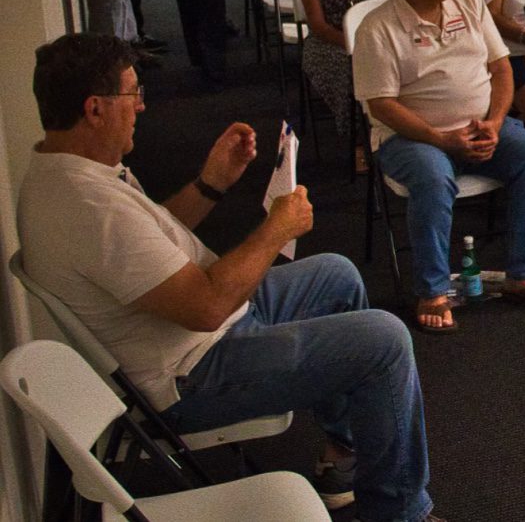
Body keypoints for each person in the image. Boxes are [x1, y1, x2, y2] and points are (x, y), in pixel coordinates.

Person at [19, 33, 443, 522]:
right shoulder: (86, 205)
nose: (140, 106)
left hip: (197, 329)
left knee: (337, 274)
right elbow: (206, 308)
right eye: (132, 93)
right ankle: (400, 512)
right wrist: (275, 229)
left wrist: (211, 182)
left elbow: (149, 241)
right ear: (95, 109)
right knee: (384, 341)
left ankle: (342, 456)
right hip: (192, 370)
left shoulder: (70, 172)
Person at [354, 0, 525, 332]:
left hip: (483, 126)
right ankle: (432, 289)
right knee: (433, 177)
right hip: (412, 137)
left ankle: (523, 273)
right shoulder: (377, 27)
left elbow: (502, 69)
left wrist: (494, 122)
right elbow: (381, 105)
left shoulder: (470, 4)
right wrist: (440, 139)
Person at [296, 0, 394, 173]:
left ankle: (393, 132)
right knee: (349, 70)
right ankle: (360, 142)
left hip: (370, 32)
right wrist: (353, 46)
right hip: (330, 39)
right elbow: (317, 23)